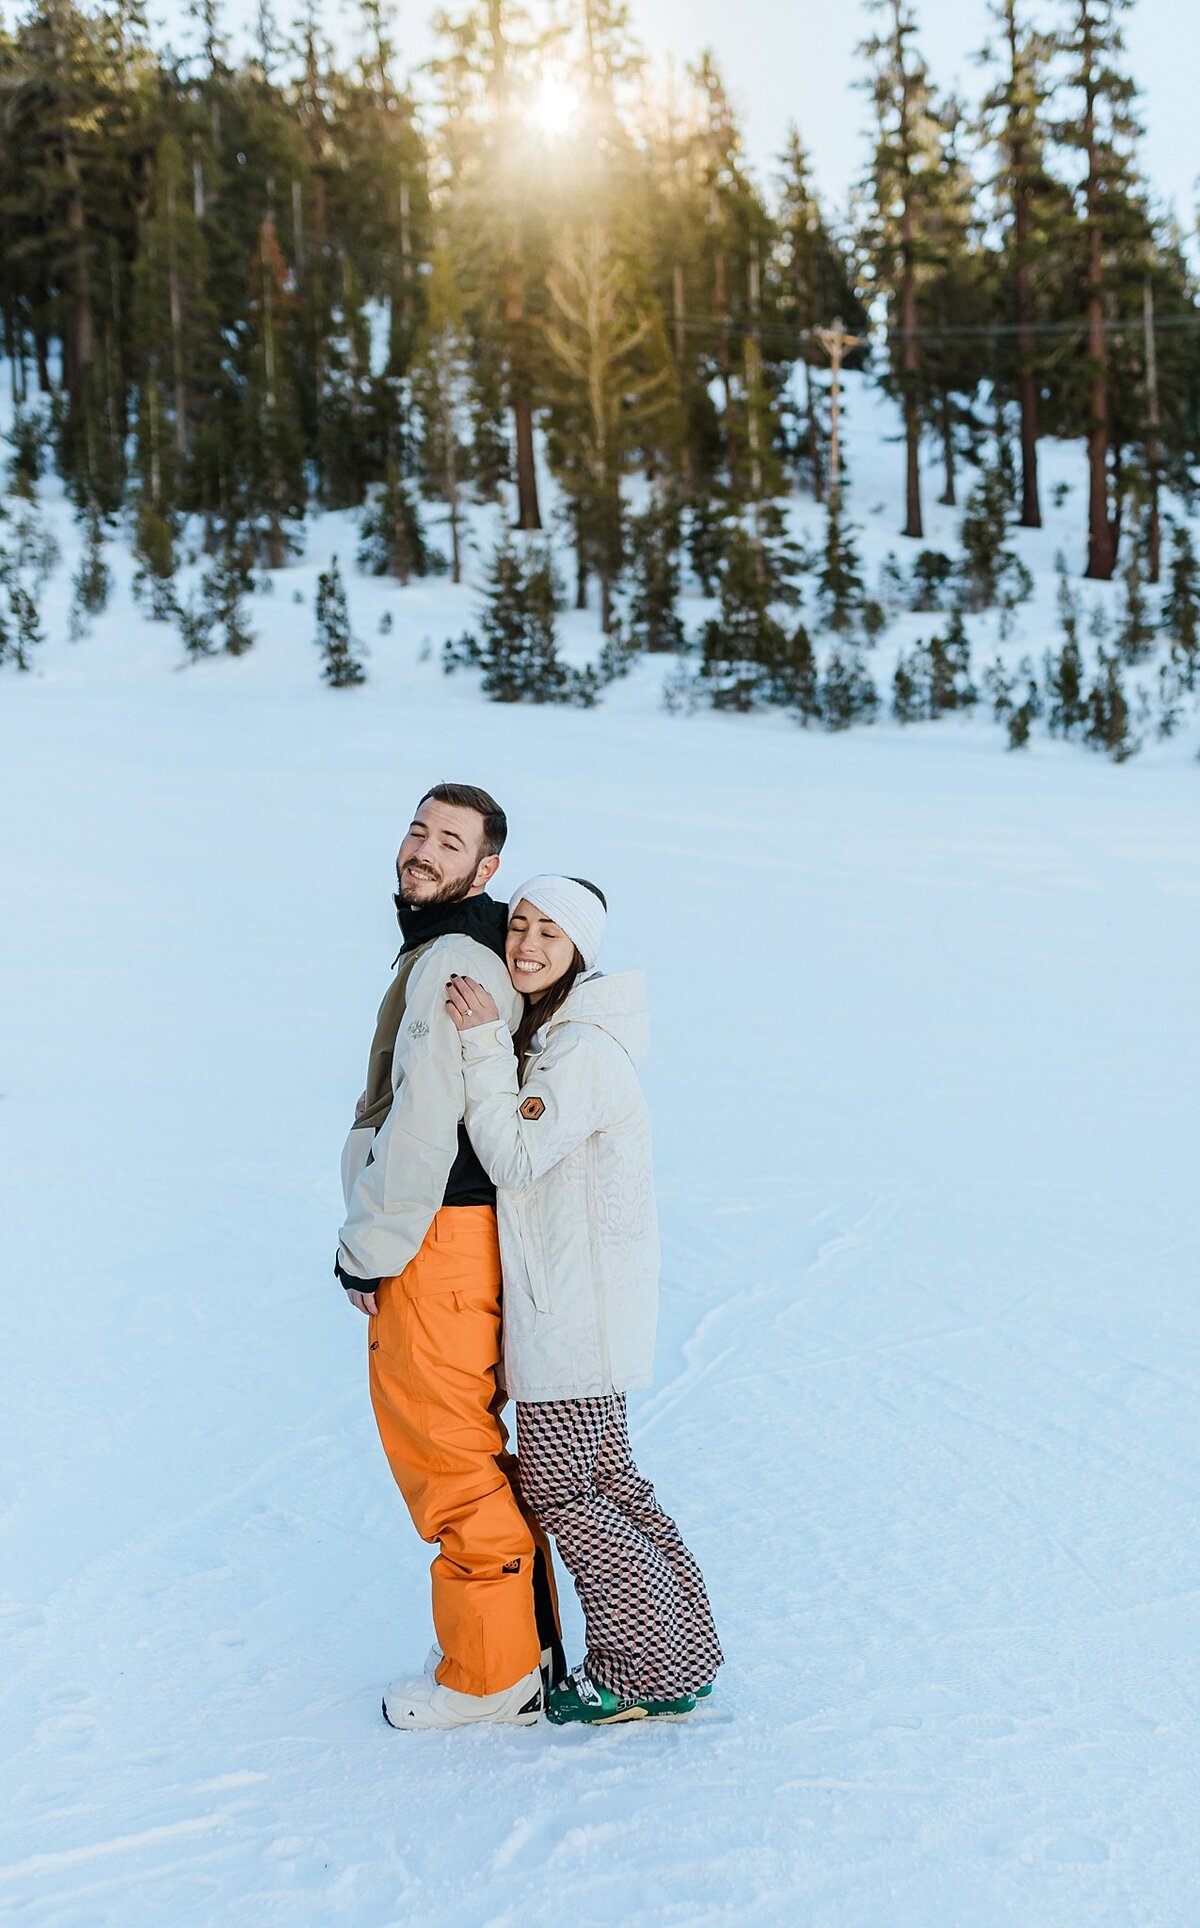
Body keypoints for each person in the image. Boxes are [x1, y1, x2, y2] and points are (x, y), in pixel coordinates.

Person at [445, 875, 723, 1724]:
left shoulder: (580, 1052)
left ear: (579, 953)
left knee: (568, 1494)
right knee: (611, 1487)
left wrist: (481, 1044)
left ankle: (640, 1675)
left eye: (550, 934)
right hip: (584, 1309)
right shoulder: (565, 1039)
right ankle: (681, 1660)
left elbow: (515, 1156)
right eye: (520, 925)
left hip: (572, 1313)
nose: (526, 945)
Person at [336, 785, 563, 1730]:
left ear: (485, 867)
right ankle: (520, 1646)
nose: (423, 850)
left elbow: (424, 1130)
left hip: (435, 1241)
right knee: (471, 1449)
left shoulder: (454, 962)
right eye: (419, 830)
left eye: (450, 841)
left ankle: (489, 1675)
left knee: (448, 1458)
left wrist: (369, 1250)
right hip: (461, 1238)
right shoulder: (456, 948)